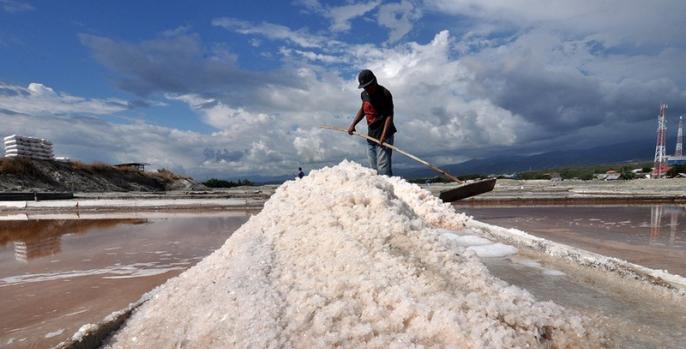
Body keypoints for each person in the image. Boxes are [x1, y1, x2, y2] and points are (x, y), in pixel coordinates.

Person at [347, 69, 397, 176]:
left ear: (375, 81)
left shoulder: (385, 94)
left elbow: (389, 116)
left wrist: (383, 137)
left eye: (368, 86)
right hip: (371, 136)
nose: (366, 89)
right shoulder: (364, 94)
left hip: (384, 136)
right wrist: (353, 125)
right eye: (364, 87)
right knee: (373, 170)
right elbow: (363, 110)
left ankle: (387, 191)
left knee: (383, 168)